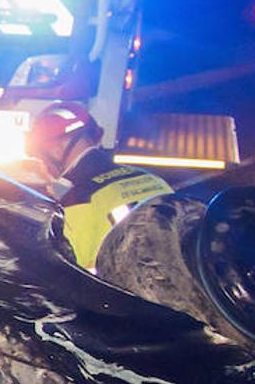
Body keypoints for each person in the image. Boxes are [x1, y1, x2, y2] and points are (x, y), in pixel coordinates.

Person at [24, 102, 173, 271]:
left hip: (114, 296)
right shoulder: (153, 180)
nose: (41, 164)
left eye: (40, 155)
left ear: (57, 149)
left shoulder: (78, 200)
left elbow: (63, 270)